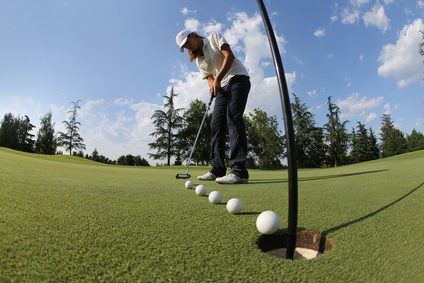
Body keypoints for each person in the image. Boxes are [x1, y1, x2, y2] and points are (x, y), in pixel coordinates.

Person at [176, 30, 251, 184]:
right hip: (221, 87)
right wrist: (212, 86)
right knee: (215, 125)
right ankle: (217, 169)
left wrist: (217, 79)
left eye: (187, 42)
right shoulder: (199, 61)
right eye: (185, 47)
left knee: (233, 118)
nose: (188, 47)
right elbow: (210, 79)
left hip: (238, 78)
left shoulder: (213, 38)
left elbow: (229, 56)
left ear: (192, 35)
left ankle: (239, 171)